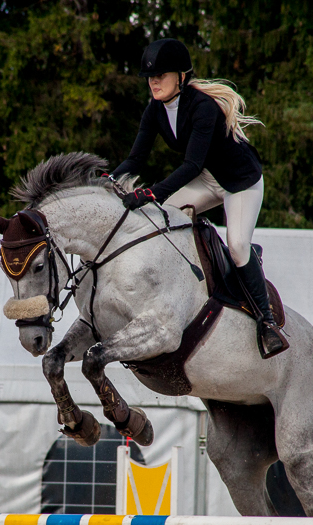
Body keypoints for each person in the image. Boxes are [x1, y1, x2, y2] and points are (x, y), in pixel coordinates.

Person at [110, 38, 288, 359]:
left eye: (160, 76)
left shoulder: (203, 107)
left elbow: (190, 165)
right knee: (160, 219)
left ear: (181, 76)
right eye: (150, 77)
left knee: (237, 246)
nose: (153, 82)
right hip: (208, 180)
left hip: (240, 183)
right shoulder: (155, 110)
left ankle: (267, 322)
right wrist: (109, 180)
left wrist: (150, 193)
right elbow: (136, 159)